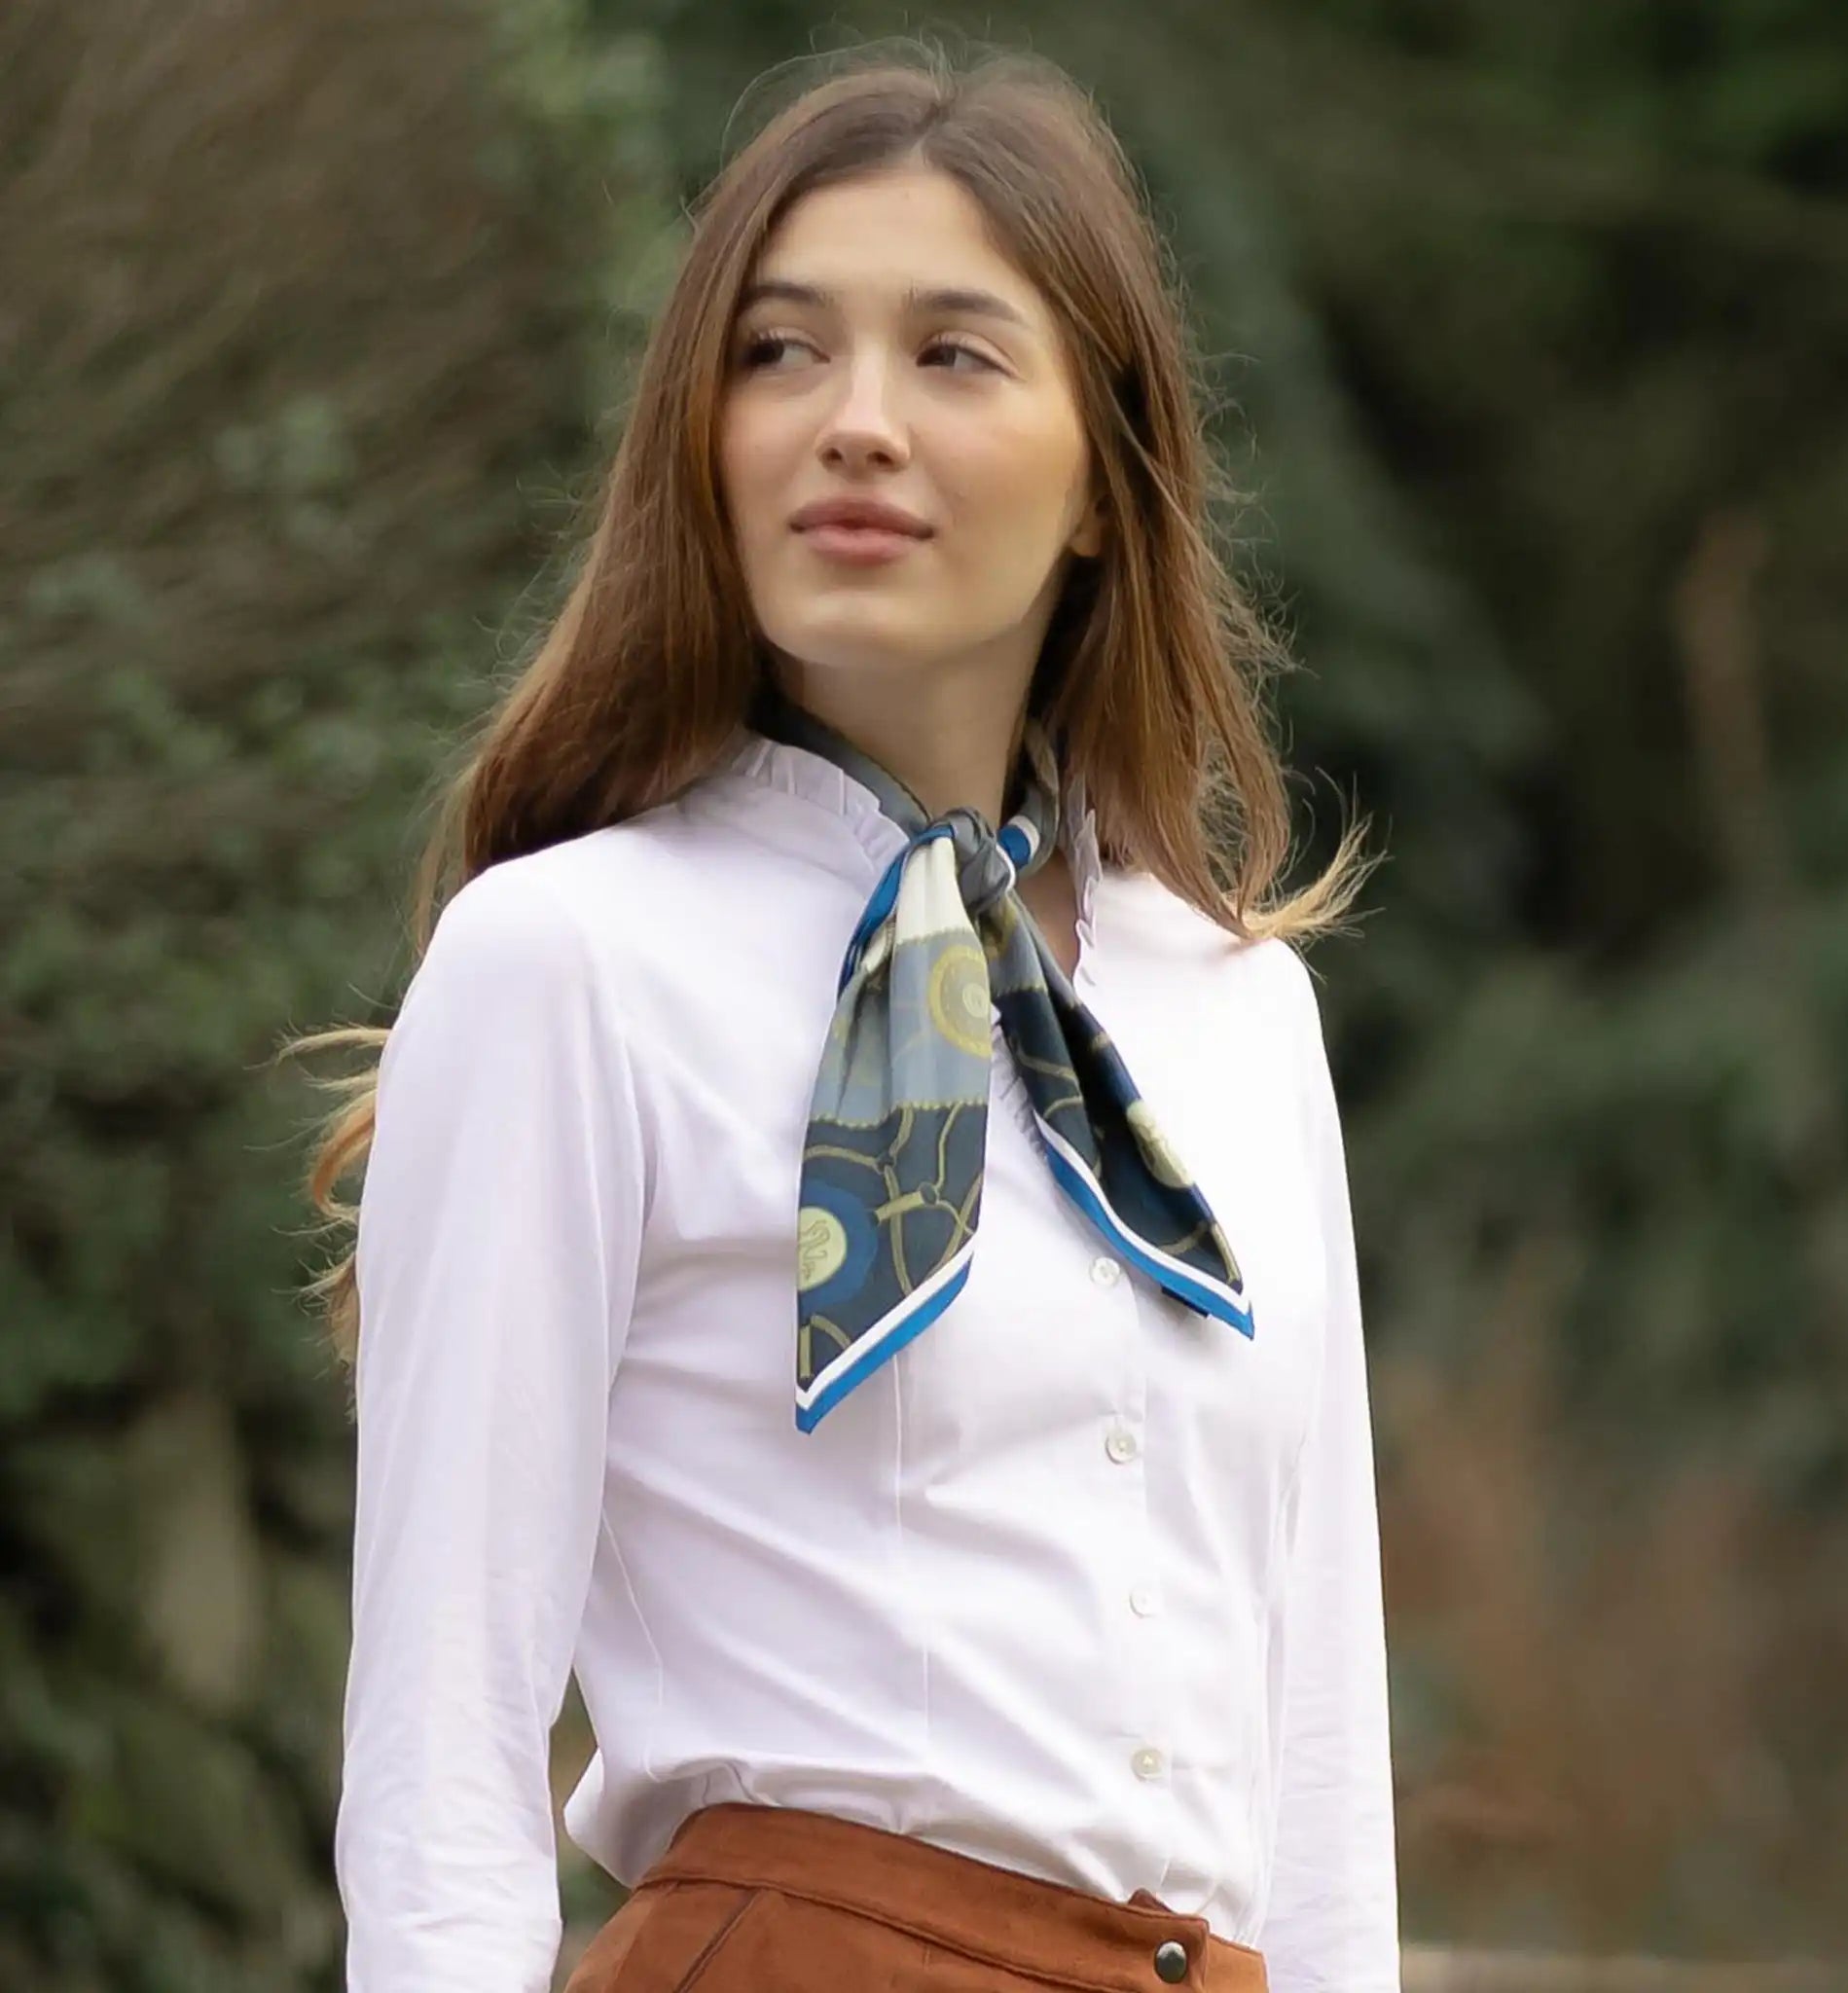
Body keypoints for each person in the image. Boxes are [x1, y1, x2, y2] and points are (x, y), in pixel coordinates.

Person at [292, 39, 1398, 1993]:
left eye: (953, 357)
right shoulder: (569, 964)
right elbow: (444, 1737)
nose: (852, 422)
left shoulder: (1234, 1013)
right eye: (781, 352)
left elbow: (1312, 1725)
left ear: (1096, 481)